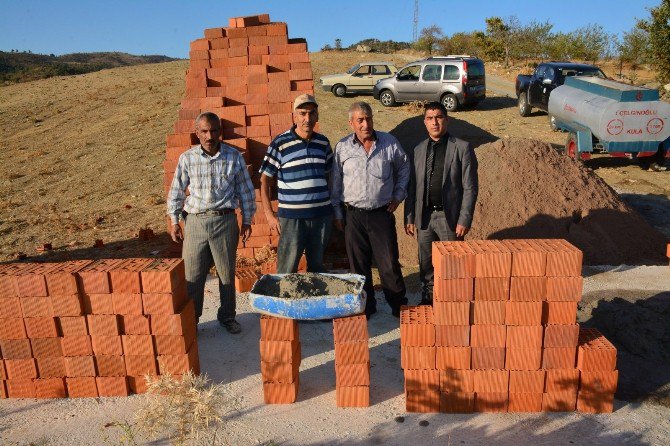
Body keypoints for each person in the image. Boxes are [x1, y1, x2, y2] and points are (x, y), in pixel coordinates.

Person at [167, 111, 256, 334]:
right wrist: (174, 220)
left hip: (225, 220)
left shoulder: (233, 156)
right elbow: (176, 190)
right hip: (195, 222)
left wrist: (247, 220)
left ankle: (227, 317)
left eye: (214, 131)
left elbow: (245, 190)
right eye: (204, 131)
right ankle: (193, 319)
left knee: (226, 273)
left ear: (220, 132)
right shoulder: (188, 158)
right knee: (193, 275)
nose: (209, 136)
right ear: (197, 133)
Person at [331, 101, 410, 318]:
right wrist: (338, 212)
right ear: (351, 123)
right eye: (360, 120)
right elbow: (336, 182)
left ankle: (398, 305)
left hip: (381, 214)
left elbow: (404, 167)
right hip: (353, 215)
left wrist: (398, 195)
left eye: (369, 118)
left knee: (388, 263)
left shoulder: (389, 143)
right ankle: (367, 306)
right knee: (359, 266)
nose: (366, 124)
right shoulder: (342, 147)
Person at [404, 101, 478, 305]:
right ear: (424, 122)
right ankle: (428, 299)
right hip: (425, 216)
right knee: (426, 263)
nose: (434, 122)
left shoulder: (461, 148)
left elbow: (470, 187)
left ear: (447, 119)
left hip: (450, 218)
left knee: (452, 262)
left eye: (438, 117)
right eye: (430, 118)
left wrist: (464, 218)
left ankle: (452, 301)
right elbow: (413, 186)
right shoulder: (418, 149)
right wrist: (409, 216)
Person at [258, 94, 334, 273]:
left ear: (317, 116)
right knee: (287, 267)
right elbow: (264, 180)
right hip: (292, 218)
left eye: (311, 113)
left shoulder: (323, 143)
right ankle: (284, 300)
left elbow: (330, 176)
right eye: (302, 113)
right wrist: (269, 214)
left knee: (317, 267)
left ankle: (313, 299)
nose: (307, 119)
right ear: (294, 116)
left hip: (321, 216)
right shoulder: (280, 143)